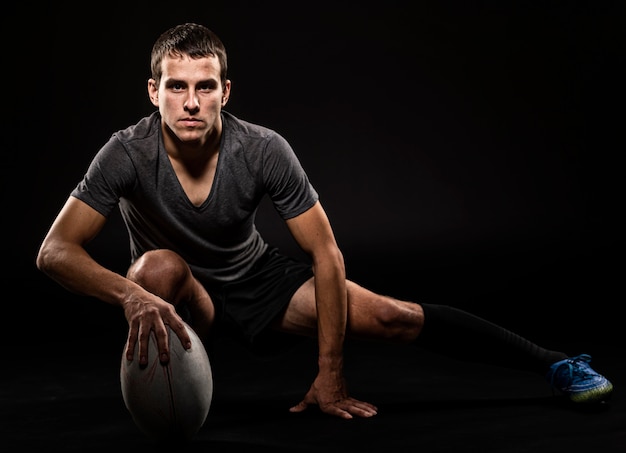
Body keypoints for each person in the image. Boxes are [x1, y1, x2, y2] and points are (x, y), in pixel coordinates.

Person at [36, 22, 613, 420]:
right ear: (153, 92)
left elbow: (327, 254)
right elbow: (55, 251)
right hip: (184, 295)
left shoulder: (262, 149)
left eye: (205, 87)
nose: (191, 102)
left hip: (260, 285)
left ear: (224, 91)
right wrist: (131, 297)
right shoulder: (125, 151)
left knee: (391, 315)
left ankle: (555, 364)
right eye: (177, 87)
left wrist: (330, 372)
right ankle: (168, 413)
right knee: (155, 270)